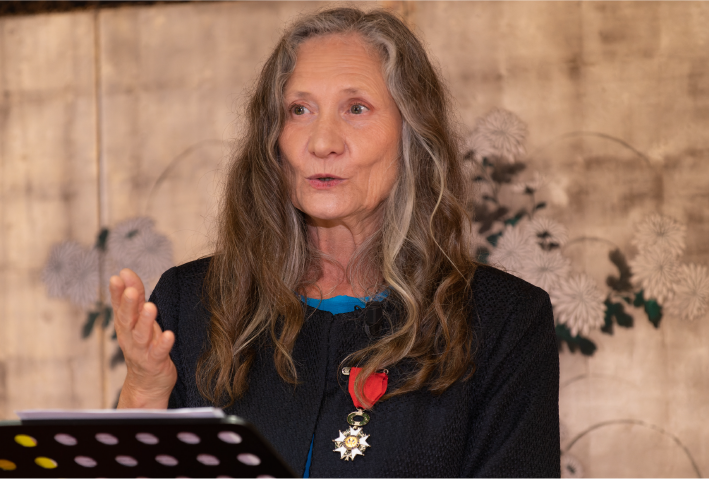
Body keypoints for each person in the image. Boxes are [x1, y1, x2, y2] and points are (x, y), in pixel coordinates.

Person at [110, 7, 559, 478]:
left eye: (356, 109)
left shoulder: (502, 320)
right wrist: (144, 390)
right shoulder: (191, 302)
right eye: (299, 110)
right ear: (272, 139)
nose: (323, 141)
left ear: (411, 133)